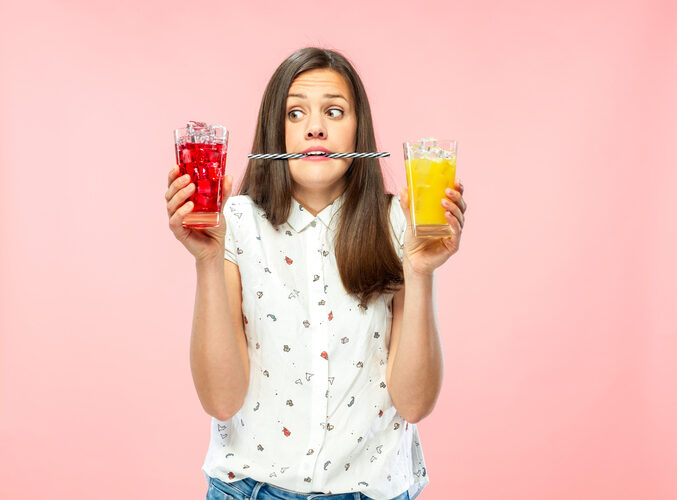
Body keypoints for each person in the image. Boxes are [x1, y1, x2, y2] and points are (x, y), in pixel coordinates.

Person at [165, 47, 467, 500]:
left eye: (334, 110)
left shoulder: (400, 224)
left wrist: (420, 272)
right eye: (295, 113)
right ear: (275, 132)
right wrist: (207, 261)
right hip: (247, 491)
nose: (315, 127)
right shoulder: (236, 224)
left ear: (358, 129)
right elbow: (221, 401)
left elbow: (415, 403)